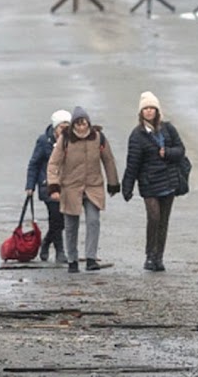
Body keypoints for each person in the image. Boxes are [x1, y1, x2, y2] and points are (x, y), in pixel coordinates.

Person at [47, 106, 120, 273]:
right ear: (73, 125)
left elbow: (108, 160)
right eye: (78, 124)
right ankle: (72, 259)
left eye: (84, 123)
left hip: (93, 185)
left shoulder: (98, 138)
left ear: (88, 123)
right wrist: (54, 186)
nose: (81, 127)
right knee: (71, 225)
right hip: (70, 187)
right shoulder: (65, 139)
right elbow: (53, 164)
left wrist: (113, 183)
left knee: (93, 221)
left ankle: (91, 258)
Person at [121, 91, 186, 272]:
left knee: (163, 221)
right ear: (141, 113)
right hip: (149, 184)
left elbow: (181, 150)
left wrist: (169, 152)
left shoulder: (168, 129)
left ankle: (159, 257)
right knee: (154, 218)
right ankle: (150, 255)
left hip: (168, 182)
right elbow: (132, 163)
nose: (149, 112)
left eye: (152, 108)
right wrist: (127, 187)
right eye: (145, 109)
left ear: (157, 111)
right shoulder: (137, 135)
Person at [25, 109, 72, 263]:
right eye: (61, 127)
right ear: (55, 127)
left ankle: (46, 243)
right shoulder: (44, 141)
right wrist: (30, 186)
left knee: (62, 220)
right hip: (48, 186)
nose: (64, 130)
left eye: (67, 127)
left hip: (67, 186)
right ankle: (60, 251)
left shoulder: (73, 141)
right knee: (55, 218)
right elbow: (34, 163)